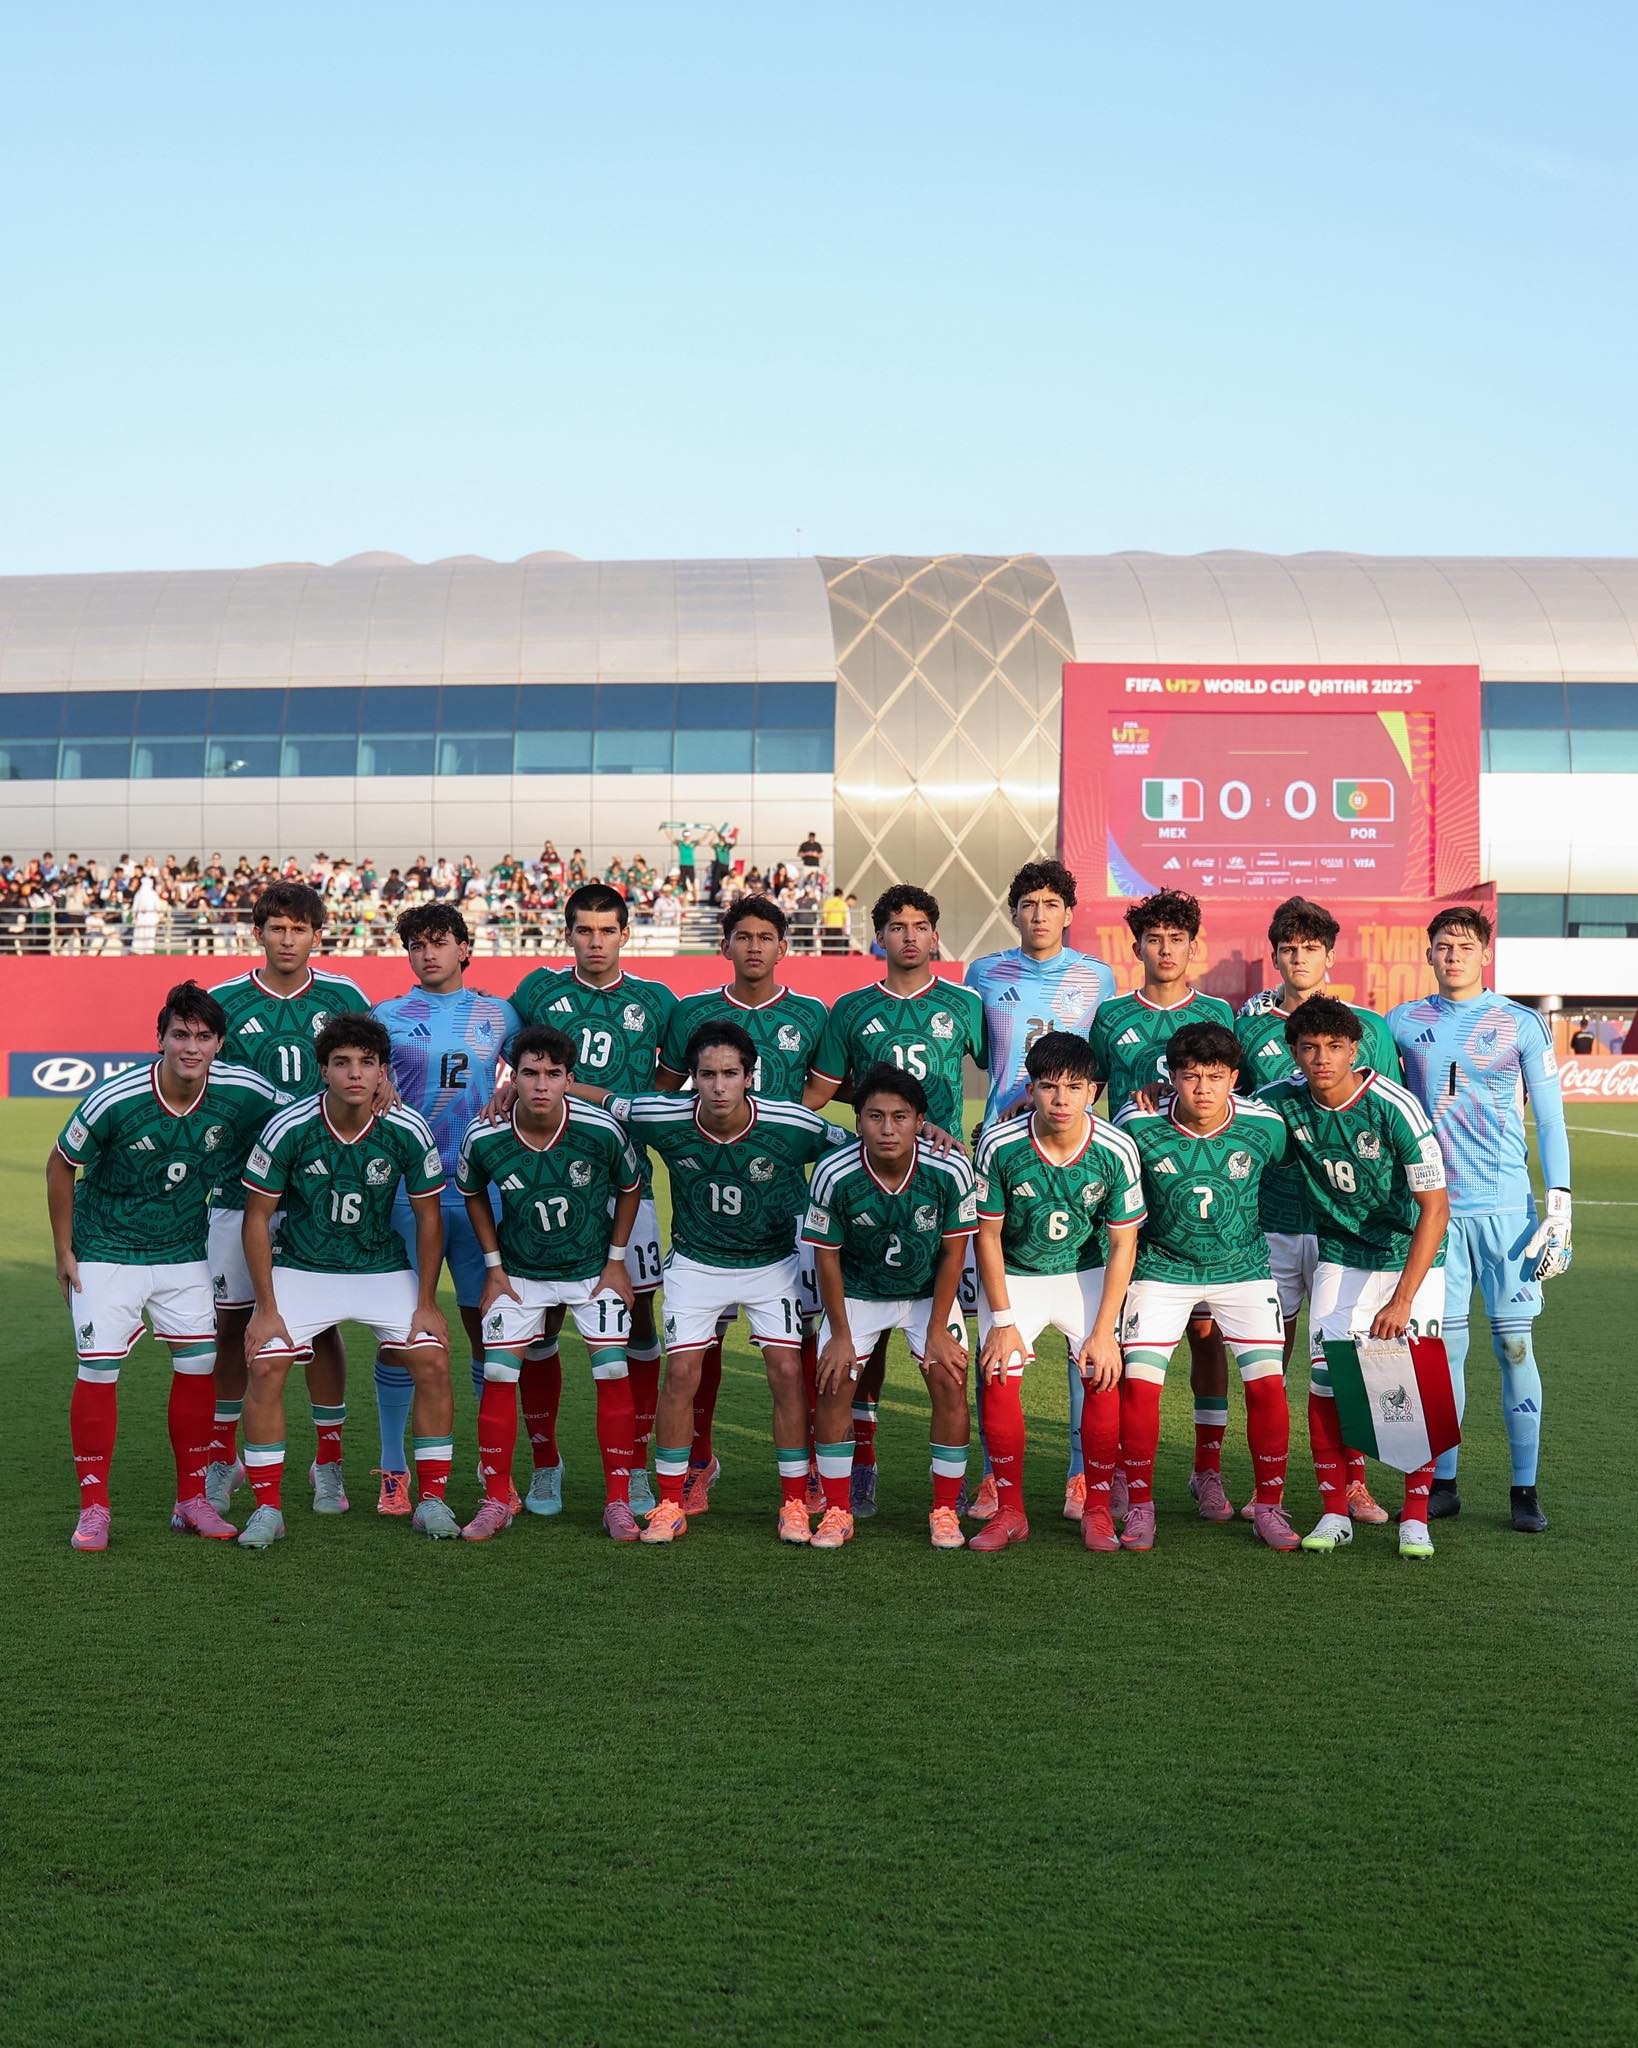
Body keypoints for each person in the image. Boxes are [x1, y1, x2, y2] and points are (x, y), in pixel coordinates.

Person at [47, 980, 284, 1551]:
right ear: (160, 1039)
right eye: (179, 1034)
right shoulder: (116, 1097)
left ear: (220, 1044)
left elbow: (298, 1121)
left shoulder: (244, 1092)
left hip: (183, 1251)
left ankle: (191, 1499)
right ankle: (94, 1507)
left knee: (199, 1366)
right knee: (100, 1372)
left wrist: (380, 1092)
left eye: (203, 1036)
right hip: (107, 1248)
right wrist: (63, 1250)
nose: (191, 1046)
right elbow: (60, 1165)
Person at [615, 1021, 849, 1546]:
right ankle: (670, 1501)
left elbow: (865, 1144)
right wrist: (524, 1086)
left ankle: (793, 1501)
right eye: (706, 1075)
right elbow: (604, 1101)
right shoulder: (664, 1113)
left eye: (729, 1074)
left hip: (774, 1263)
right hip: (697, 1262)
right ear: (691, 1078)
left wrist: (927, 1133)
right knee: (680, 1373)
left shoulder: (791, 1123)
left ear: (750, 1077)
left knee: (787, 1370)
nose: (718, 1086)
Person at [1387, 905, 1571, 1532]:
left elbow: (1548, 1118)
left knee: (1515, 1344)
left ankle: (1525, 1489)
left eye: (1465, 944)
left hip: (1507, 1214)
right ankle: (1444, 1482)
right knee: (1446, 1353)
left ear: (1485, 953)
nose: (1454, 954)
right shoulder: (1403, 1023)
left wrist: (1561, 1203)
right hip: (1436, 1213)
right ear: (1429, 953)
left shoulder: (1521, 1024)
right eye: (1443, 945)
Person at [804, 882, 987, 1512]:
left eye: (920, 925)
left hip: (942, 1182)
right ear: (878, 937)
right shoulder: (850, 1008)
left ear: (936, 936)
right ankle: (863, 1461)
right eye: (896, 926)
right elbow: (822, 1089)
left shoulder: (966, 1003)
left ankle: (965, 1478)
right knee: (866, 1345)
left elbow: (1008, 1070)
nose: (909, 936)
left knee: (955, 1350)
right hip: (871, 1171)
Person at [239, 1015, 453, 1548]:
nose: (354, 1073)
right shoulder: (289, 1126)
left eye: (366, 1063)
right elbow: (257, 1218)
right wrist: (266, 1307)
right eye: (342, 1063)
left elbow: (430, 1218)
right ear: (324, 1071)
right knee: (265, 1367)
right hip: (304, 1265)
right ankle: (267, 1508)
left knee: (431, 1359)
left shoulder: (407, 1127)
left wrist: (427, 1302)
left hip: (379, 1265)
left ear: (384, 1072)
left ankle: (431, 1500)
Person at [1257, 996, 1450, 1558]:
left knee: (1405, 1386)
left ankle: (1415, 1518)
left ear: (1354, 1049)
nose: (1321, 1059)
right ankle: (1335, 1512)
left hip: (1410, 1258)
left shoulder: (1395, 1107)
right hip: (1341, 1254)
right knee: (1326, 1379)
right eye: (1310, 1048)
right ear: (1293, 1051)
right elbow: (1226, 1118)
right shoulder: (1282, 1103)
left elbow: (1435, 1208)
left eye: (1334, 1048)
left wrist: (1403, 1299)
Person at [1232, 894, 1402, 1525]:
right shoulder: (1251, 1028)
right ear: (1274, 955)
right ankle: (1266, 1487)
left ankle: (1353, 1482)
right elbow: (1235, 1116)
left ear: (1331, 954)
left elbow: (1387, 1117)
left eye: (1310, 947)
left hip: (1343, 1227)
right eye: (1288, 947)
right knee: (1267, 1360)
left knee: (1343, 1359)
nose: (1299, 957)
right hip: (1273, 1221)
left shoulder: (1370, 1029)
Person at [204, 883, 372, 1519]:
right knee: (232, 1324)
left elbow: (373, 1074)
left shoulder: (342, 998)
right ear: (259, 933)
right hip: (234, 1191)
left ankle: (327, 1463)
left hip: (318, 1191)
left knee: (320, 1325)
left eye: (299, 929)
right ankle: (224, 1460)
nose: (287, 939)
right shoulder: (225, 1001)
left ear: (316, 936)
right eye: (276, 928)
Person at [657, 895, 830, 1510]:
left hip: (781, 1214)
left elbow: (824, 1088)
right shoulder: (692, 1013)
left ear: (784, 947)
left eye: (766, 936)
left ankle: (805, 1470)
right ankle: (697, 1462)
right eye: (742, 936)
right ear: (724, 944)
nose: (754, 946)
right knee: (697, 1353)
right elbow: (660, 1094)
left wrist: (776, 1136)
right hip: (705, 1204)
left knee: (794, 1353)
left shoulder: (811, 1013)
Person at [507, 883, 675, 1514]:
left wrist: (621, 1103)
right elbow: (516, 1060)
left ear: (625, 934)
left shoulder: (656, 1000)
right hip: (545, 1182)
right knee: (541, 1322)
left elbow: (674, 1074)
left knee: (636, 1318)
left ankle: (632, 1466)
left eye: (608, 930)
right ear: (568, 933)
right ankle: (546, 1462)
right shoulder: (537, 992)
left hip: (625, 1183)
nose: (596, 941)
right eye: (584, 930)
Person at [963, 860, 1118, 1521]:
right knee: (996, 1332)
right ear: (1014, 911)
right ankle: (998, 1476)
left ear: (1068, 911)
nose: (1039, 914)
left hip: (1072, 1157)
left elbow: (1100, 1064)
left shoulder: (1097, 977)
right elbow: (973, 1058)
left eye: (1051, 903)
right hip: (1003, 1152)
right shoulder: (983, 974)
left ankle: (1082, 1475)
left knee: (1085, 1337)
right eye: (1027, 903)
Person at [455, 1026, 644, 1543]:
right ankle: (495, 1500)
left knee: (610, 1371)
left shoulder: (601, 1129)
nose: (541, 1085)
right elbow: (472, 1192)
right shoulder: (485, 1135)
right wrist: (493, 1267)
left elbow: (630, 1187)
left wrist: (616, 1262)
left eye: (553, 1075)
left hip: (590, 1271)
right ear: (512, 1078)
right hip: (520, 1273)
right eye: (530, 1073)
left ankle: (617, 1502)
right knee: (497, 1371)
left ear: (569, 1079)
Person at [1114, 1021, 1296, 1553]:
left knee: (1266, 1386)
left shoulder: (1265, 1125)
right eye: (1190, 1076)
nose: (1202, 1089)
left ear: (1234, 1078)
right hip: (1160, 1268)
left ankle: (1269, 1505)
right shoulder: (1138, 1123)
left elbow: (1288, 1167)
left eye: (1215, 1077)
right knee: (1141, 1385)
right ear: (1170, 1077)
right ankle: (1142, 1506)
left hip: (1243, 1270)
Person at [1088, 890, 1241, 1523]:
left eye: (1177, 939)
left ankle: (1206, 1471)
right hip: (1129, 1202)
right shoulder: (1111, 1015)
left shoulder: (1216, 1015)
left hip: (1197, 1202)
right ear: (1138, 947)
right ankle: (1124, 1473)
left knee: (1206, 1337)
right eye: (1154, 938)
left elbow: (1233, 1102)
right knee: (1126, 1340)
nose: (1166, 949)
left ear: (1192, 946)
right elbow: (1088, 1094)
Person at [370, 904, 522, 1515]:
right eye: (416, 944)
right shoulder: (385, 1017)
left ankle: (495, 1474)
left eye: (439, 943)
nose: (427, 953)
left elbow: (538, 1065)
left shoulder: (500, 1013)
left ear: (465, 948)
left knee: (487, 1330)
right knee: (400, 1331)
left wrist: (513, 1082)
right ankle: (393, 1469)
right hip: (409, 1193)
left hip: (481, 1190)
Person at [971, 1032, 1146, 1554]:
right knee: (998, 1377)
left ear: (1093, 1091)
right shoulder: (1000, 1144)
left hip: (1085, 1274)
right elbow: (988, 1235)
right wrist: (1002, 1321)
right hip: (1017, 1275)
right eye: (1049, 1087)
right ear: (1031, 1089)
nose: (1061, 1099)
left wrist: (1104, 1330)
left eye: (1074, 1087)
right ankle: (1009, 1511)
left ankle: (1095, 1508)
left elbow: (1122, 1244)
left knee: (1102, 1376)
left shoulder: (1116, 1148)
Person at [803, 1066, 977, 1549]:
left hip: (927, 1296)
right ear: (857, 1120)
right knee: (834, 1382)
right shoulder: (834, 1173)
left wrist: (939, 1328)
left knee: (949, 1380)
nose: (887, 1128)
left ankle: (945, 1509)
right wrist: (839, 1335)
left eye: (900, 1117)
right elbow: (827, 1257)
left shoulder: (949, 1168)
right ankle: (838, 1511)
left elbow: (953, 1253)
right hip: (857, 1294)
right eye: (875, 1116)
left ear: (920, 1120)